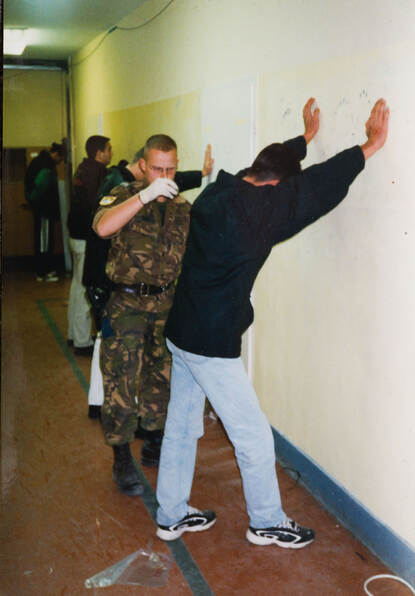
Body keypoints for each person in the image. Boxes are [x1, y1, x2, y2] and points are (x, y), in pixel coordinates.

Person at [154, 98, 389, 548]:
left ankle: (170, 513)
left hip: (182, 329)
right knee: (253, 434)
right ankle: (266, 521)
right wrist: (369, 147)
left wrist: (303, 139)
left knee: (181, 425)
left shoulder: (219, 191)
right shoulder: (257, 214)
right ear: (274, 186)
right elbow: (315, 188)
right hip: (210, 341)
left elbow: (272, 164)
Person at [93, 134, 210, 495]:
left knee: (161, 379)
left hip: (165, 305)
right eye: (157, 168)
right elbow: (101, 227)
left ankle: (154, 439)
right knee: (121, 383)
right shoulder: (124, 194)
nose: (165, 175)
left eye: (171, 168)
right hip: (127, 305)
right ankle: (121, 456)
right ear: (143, 166)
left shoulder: (181, 208)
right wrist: (144, 196)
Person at [67, 135, 112, 356]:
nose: (111, 153)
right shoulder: (98, 173)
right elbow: (97, 205)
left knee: (77, 287)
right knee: (88, 288)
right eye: (109, 149)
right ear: (99, 153)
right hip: (86, 237)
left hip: (74, 235)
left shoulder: (82, 168)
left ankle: (74, 334)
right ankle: (83, 341)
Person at [24, 142, 65, 281]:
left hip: (42, 210)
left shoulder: (40, 162)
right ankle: (42, 273)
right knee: (44, 242)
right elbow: (42, 191)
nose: (60, 163)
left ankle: (44, 270)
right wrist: (43, 207)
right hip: (44, 211)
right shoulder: (46, 166)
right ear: (56, 155)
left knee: (44, 241)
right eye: (61, 159)